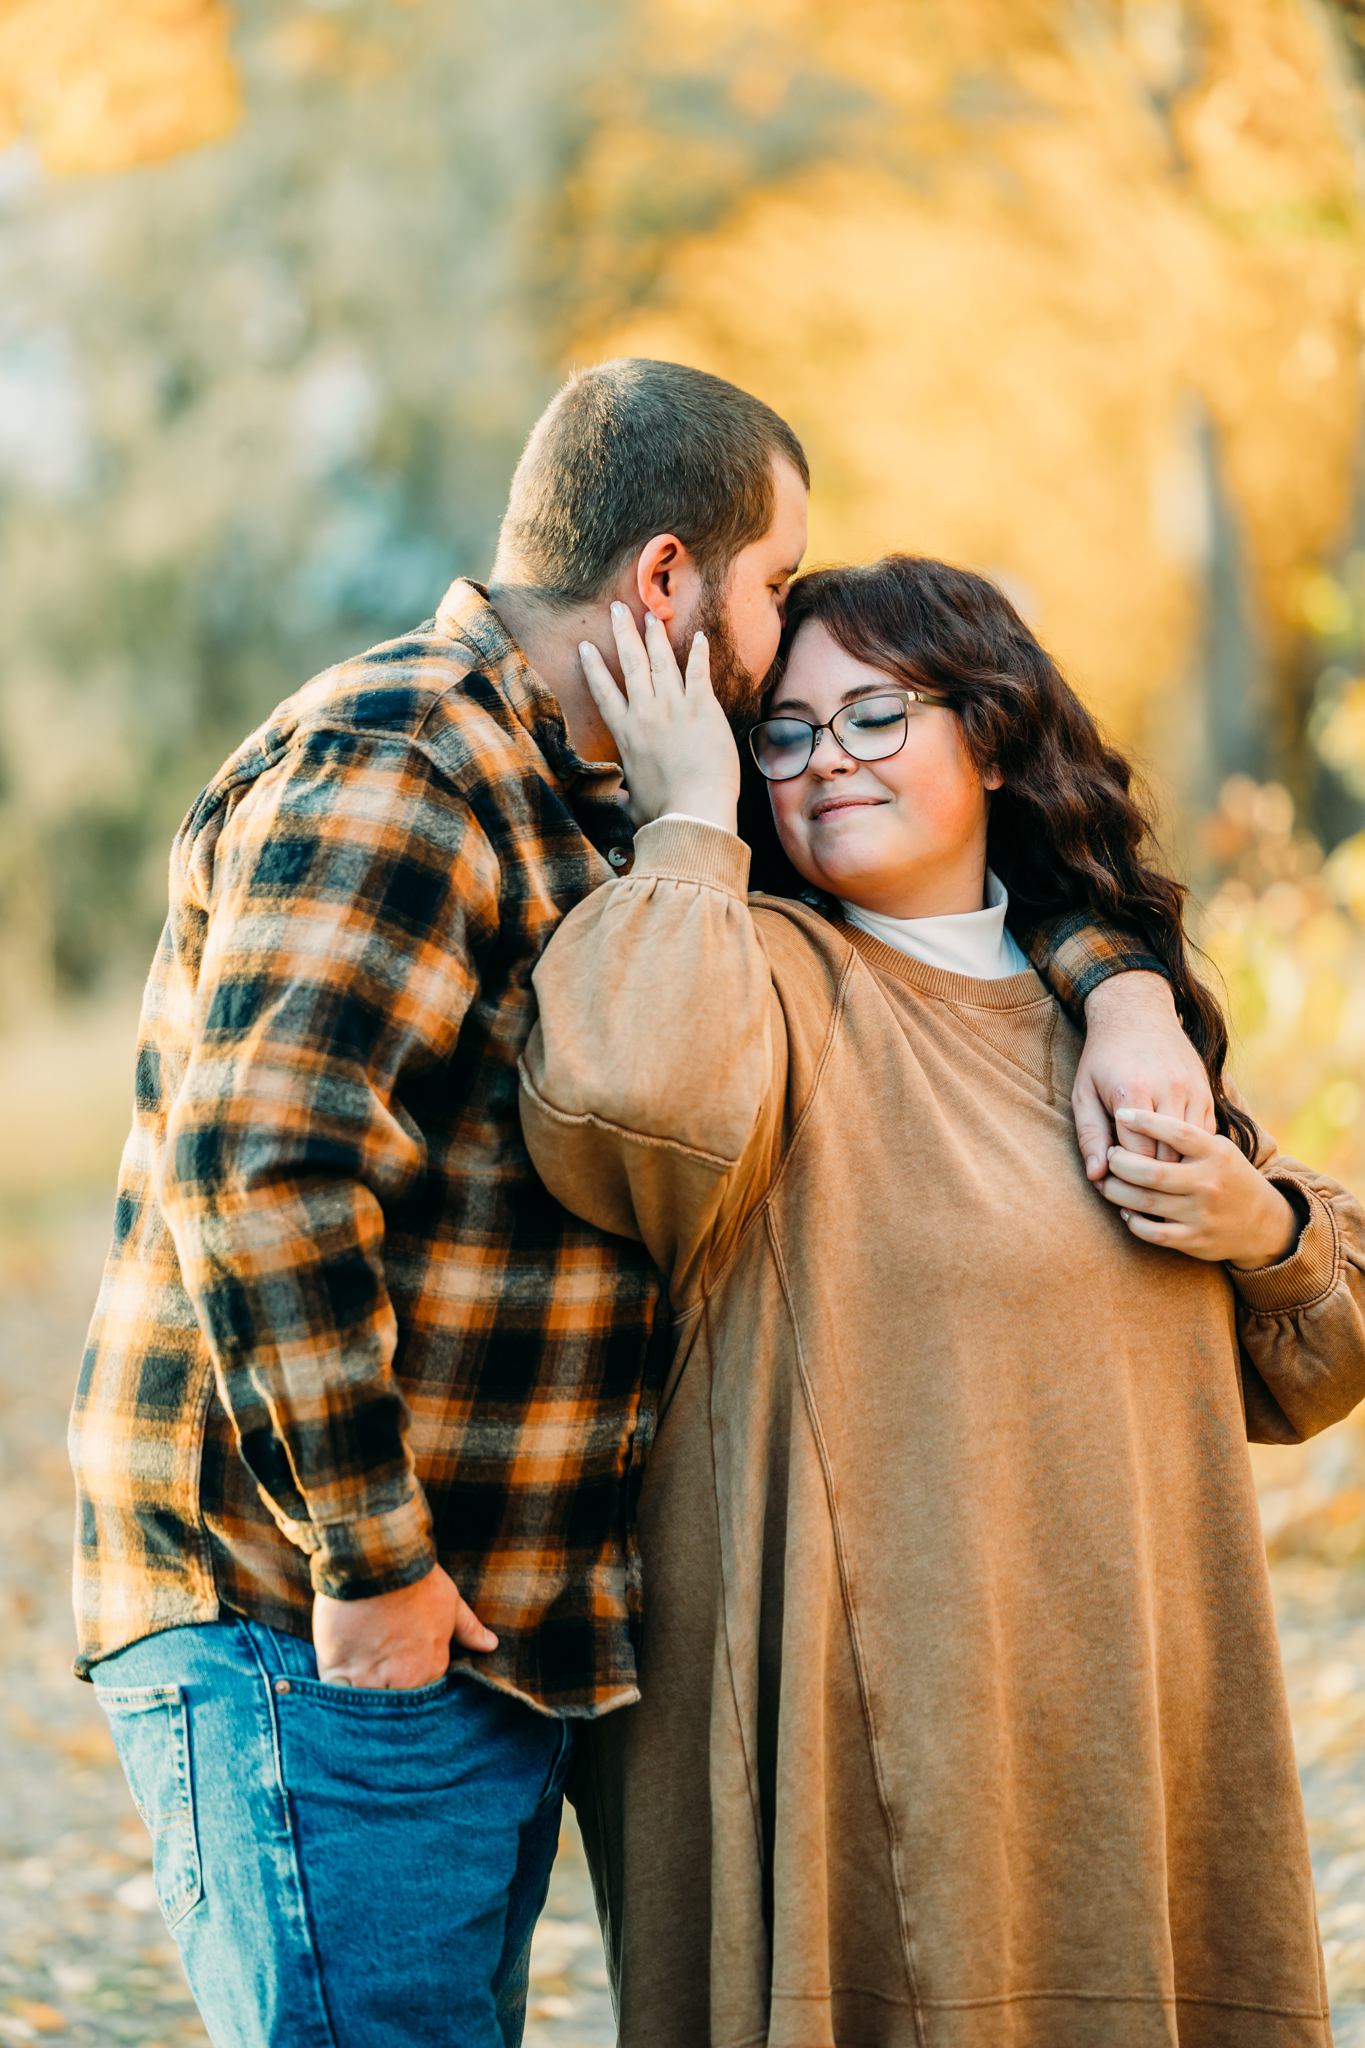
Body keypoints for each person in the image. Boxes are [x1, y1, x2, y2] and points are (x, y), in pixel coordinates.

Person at [72, 361, 1211, 2048]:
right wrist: (371, 1566)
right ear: (666, 579)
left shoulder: (621, 793)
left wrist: (1117, 990)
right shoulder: (405, 759)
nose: (782, 628)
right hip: (310, 1618)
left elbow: (962, 869)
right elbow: (267, 1168)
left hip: (486, 1625)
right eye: (769, 583)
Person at [519, 556, 1365, 2047]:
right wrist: (684, 815)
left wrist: (1251, 1217)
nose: (821, 762)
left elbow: (1322, 1353)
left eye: (870, 718)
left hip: (1127, 1736)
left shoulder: (1106, 1020)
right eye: (780, 734)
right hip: (878, 1757)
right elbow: (624, 1097)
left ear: (986, 735)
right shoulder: (762, 977)